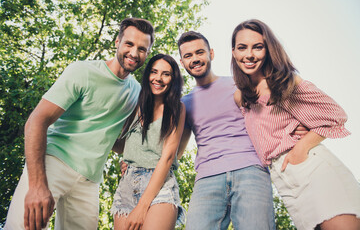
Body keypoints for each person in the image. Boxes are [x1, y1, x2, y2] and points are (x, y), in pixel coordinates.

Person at [4, 18, 154, 230]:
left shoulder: (137, 93)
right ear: (117, 42)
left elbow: (115, 141)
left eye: (142, 48)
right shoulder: (83, 72)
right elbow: (36, 121)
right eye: (129, 44)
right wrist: (37, 185)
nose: (134, 52)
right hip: (53, 162)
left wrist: (133, 158)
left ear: (147, 53)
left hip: (89, 180)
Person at [231, 19, 360, 230]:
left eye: (258, 46)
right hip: (284, 181)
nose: (249, 54)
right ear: (234, 52)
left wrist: (303, 145)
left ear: (268, 49)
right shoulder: (242, 97)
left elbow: (335, 115)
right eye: (242, 47)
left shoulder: (284, 82)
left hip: (312, 167)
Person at [177, 31, 276, 230]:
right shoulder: (184, 104)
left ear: (211, 54)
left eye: (199, 53)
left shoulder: (240, 84)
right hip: (207, 177)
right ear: (182, 62)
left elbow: (271, 116)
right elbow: (175, 151)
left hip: (250, 169)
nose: (195, 59)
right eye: (188, 56)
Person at [111, 53, 186, 230]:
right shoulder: (135, 104)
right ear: (147, 75)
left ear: (173, 79)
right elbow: (122, 145)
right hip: (128, 184)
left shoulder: (176, 108)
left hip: (159, 185)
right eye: (154, 72)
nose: (158, 78)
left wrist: (142, 207)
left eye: (166, 74)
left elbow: (167, 158)